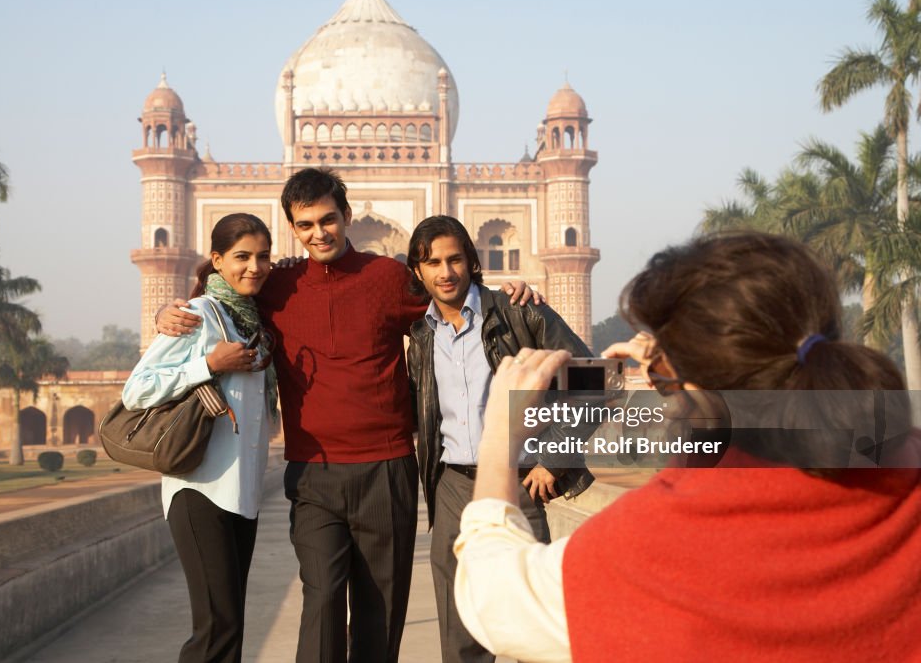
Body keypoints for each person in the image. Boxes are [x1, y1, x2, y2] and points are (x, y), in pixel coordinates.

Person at [453, 232, 921, 663]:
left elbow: (494, 596)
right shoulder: (900, 466)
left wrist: (501, 429)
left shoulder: (667, 537)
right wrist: (685, 379)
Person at [155, 168, 541, 662]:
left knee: (380, 607)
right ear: (293, 228)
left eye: (328, 219)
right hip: (314, 474)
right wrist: (174, 309)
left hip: (386, 467)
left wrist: (512, 298)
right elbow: (221, 291)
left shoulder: (386, 277)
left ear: (347, 216)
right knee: (321, 596)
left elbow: (453, 293)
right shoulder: (279, 286)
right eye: (306, 224)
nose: (320, 233)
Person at [405, 215, 595, 663]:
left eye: (454, 259)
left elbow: (593, 380)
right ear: (417, 271)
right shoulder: (421, 335)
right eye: (432, 263)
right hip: (452, 484)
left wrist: (555, 454)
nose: (445, 272)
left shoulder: (520, 310)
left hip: (520, 479)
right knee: (459, 624)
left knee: (532, 619)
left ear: (472, 261)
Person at [123, 213, 278, 663]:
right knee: (215, 627)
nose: (254, 266)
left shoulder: (257, 324)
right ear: (216, 260)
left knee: (229, 626)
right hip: (199, 492)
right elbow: (137, 389)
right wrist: (209, 365)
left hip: (242, 494)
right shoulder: (197, 315)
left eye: (263, 257)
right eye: (241, 257)